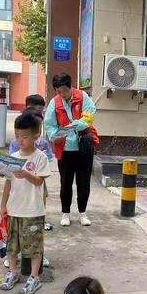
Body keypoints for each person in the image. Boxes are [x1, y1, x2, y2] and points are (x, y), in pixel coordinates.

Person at [0, 112, 51, 294]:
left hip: (33, 210)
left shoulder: (40, 158)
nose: (20, 140)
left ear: (36, 136)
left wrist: (27, 174)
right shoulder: (13, 156)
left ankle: (34, 277)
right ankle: (12, 272)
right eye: (17, 136)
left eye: (25, 137)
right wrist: (3, 205)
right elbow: (8, 182)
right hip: (14, 209)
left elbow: (39, 182)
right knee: (12, 245)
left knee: (34, 246)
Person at [45, 73, 98, 227]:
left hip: (83, 147)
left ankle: (83, 213)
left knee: (84, 182)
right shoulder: (54, 103)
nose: (62, 94)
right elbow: (49, 125)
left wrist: (72, 126)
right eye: (59, 91)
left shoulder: (82, 97)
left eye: (65, 91)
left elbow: (88, 118)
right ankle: (65, 213)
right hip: (66, 149)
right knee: (65, 183)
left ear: (70, 87)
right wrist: (56, 135)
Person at [9, 94, 54, 234]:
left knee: (38, 209)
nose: (39, 130)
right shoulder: (16, 143)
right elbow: (12, 164)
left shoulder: (43, 144)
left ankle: (40, 223)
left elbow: (47, 161)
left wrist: (40, 154)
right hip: (19, 186)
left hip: (36, 182)